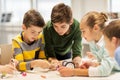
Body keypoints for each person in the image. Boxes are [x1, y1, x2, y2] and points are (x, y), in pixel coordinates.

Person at [58, 11, 120, 77]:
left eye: (83, 31)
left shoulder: (109, 44)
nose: (82, 35)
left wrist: (73, 71)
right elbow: (106, 63)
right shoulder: (92, 42)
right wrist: (94, 64)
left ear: (95, 28)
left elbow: (104, 70)